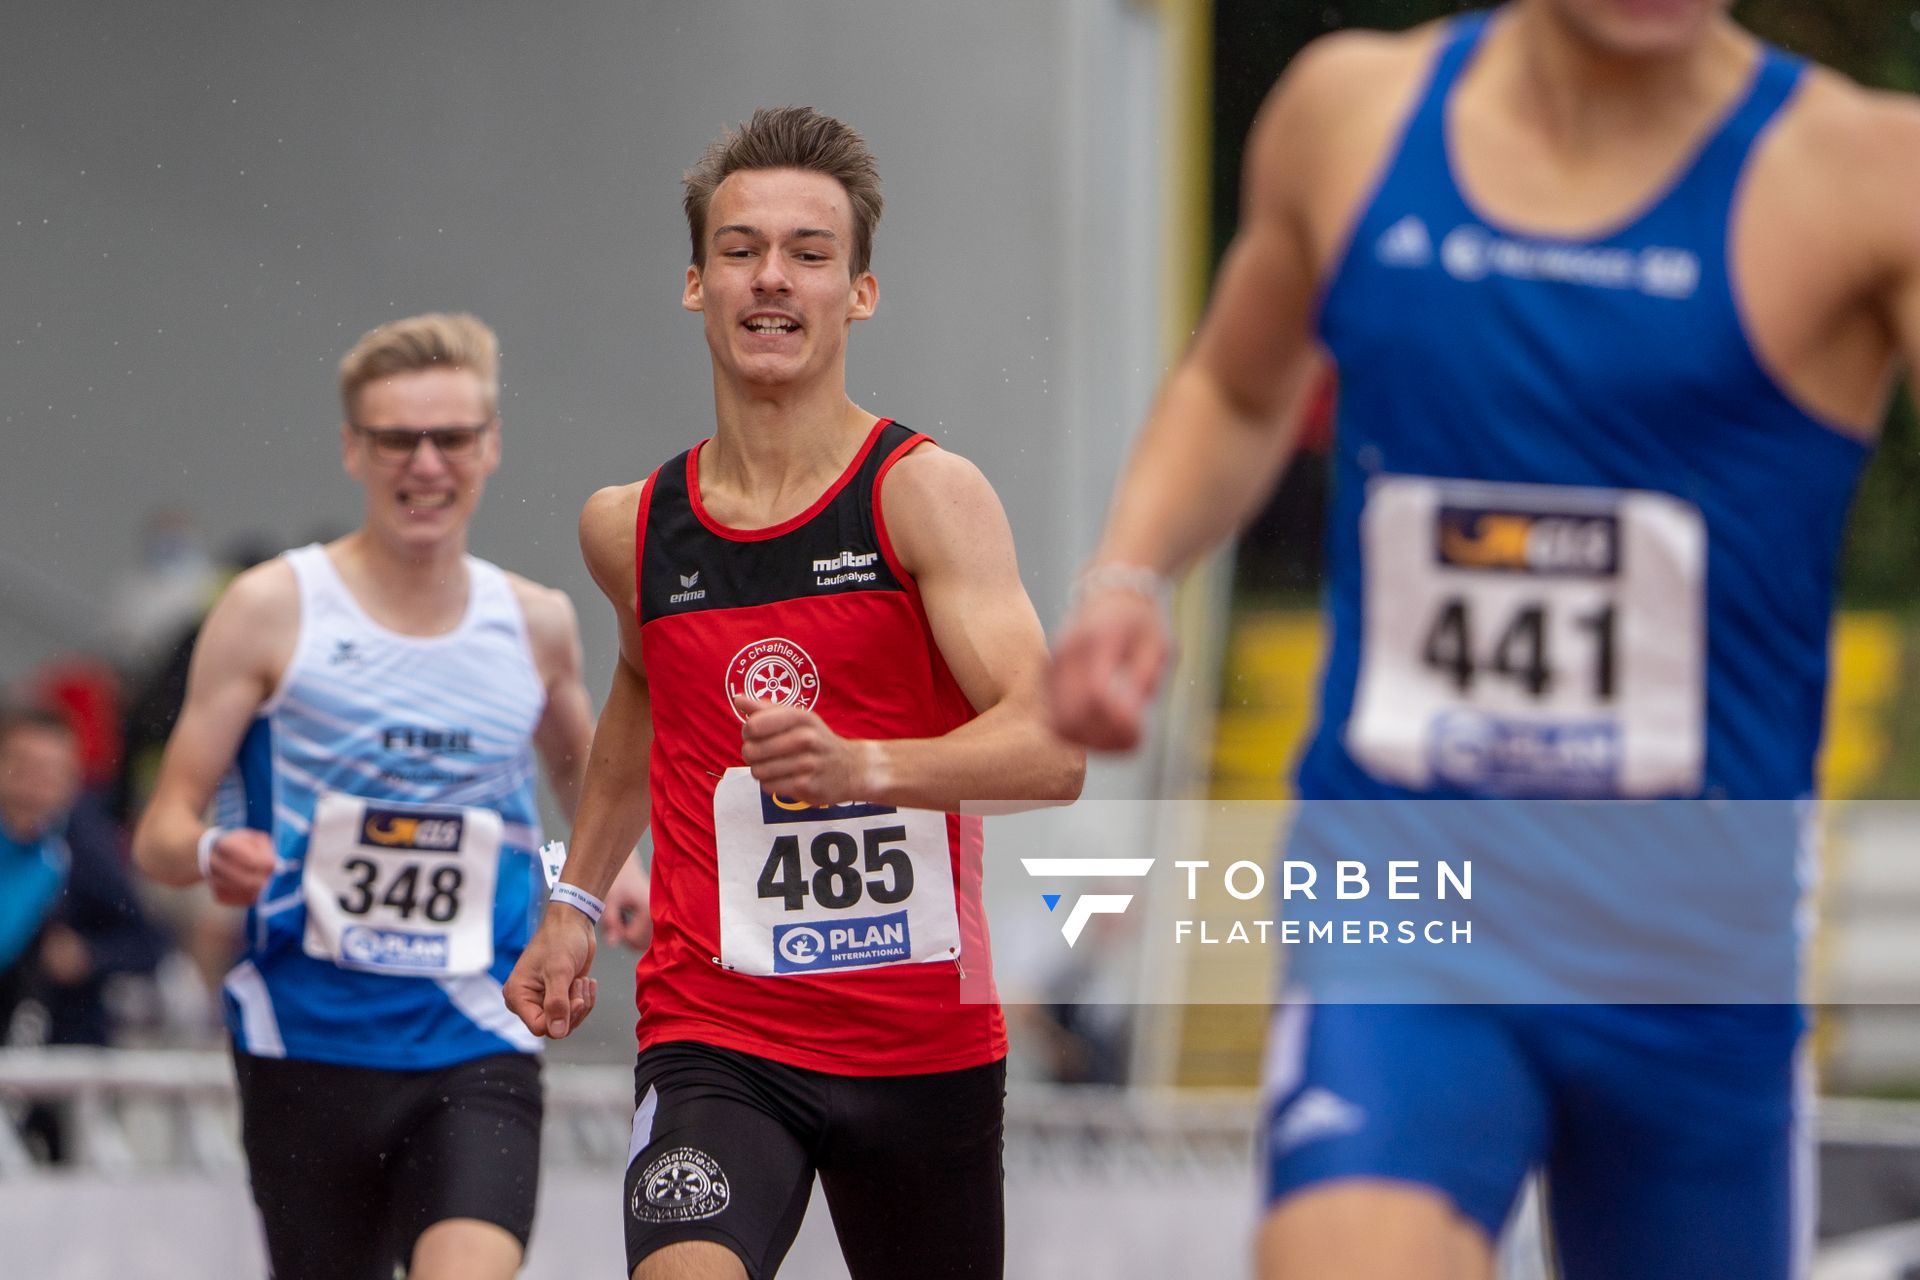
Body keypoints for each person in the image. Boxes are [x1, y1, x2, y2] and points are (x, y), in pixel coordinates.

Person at [1050, 2, 1920, 1276]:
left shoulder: (1864, 173)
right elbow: (1241, 384)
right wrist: (1130, 575)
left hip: (1698, 955)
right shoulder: (1351, 114)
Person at [504, 106, 1084, 1280]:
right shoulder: (631, 527)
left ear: (860, 292)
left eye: (810, 254)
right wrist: (574, 892)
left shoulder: (922, 496)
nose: (773, 278)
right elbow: (642, 694)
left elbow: (1050, 750)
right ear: (694, 283)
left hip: (919, 1044)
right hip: (717, 1034)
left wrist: (866, 765)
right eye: (741, 249)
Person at [132, 313, 601, 1280]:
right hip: (305, 1044)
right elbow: (162, 829)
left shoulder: (537, 623)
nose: (426, 465)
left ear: (490, 447)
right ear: (354, 448)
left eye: (452, 439)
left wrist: (596, 882)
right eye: (398, 439)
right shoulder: (271, 609)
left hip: (477, 1036)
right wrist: (208, 854)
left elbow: (594, 787)